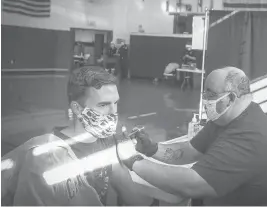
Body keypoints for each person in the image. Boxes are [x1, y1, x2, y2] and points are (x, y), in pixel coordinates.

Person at [123, 67, 267, 206]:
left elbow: (191, 184)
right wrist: (153, 148)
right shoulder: (226, 118)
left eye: (210, 95)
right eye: (204, 94)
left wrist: (133, 162)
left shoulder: (249, 136)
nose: (205, 100)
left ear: (230, 98)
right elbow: (190, 150)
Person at [1, 66, 153, 206]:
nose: (113, 112)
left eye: (116, 103)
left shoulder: (108, 143)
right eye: (103, 104)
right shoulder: (46, 158)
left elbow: (134, 199)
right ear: (77, 109)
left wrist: (130, 158)